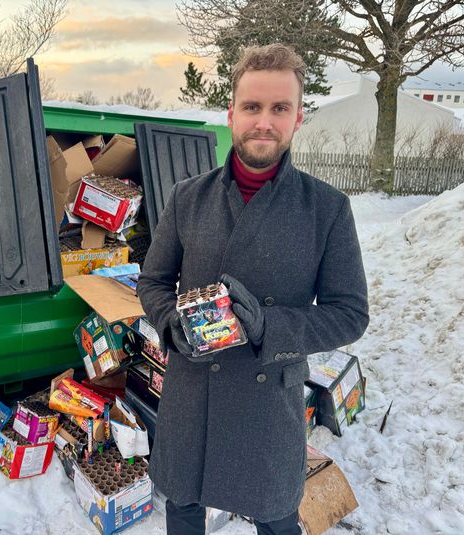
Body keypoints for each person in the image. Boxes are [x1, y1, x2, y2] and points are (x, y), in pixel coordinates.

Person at [136, 43, 369, 535]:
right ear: (232, 113)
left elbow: (350, 313)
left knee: (277, 520)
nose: (264, 121)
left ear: (298, 117)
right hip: (193, 392)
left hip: (267, 403)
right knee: (182, 509)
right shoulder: (187, 197)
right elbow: (154, 281)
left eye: (279, 108)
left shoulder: (326, 209)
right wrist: (170, 325)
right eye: (253, 106)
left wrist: (270, 326)